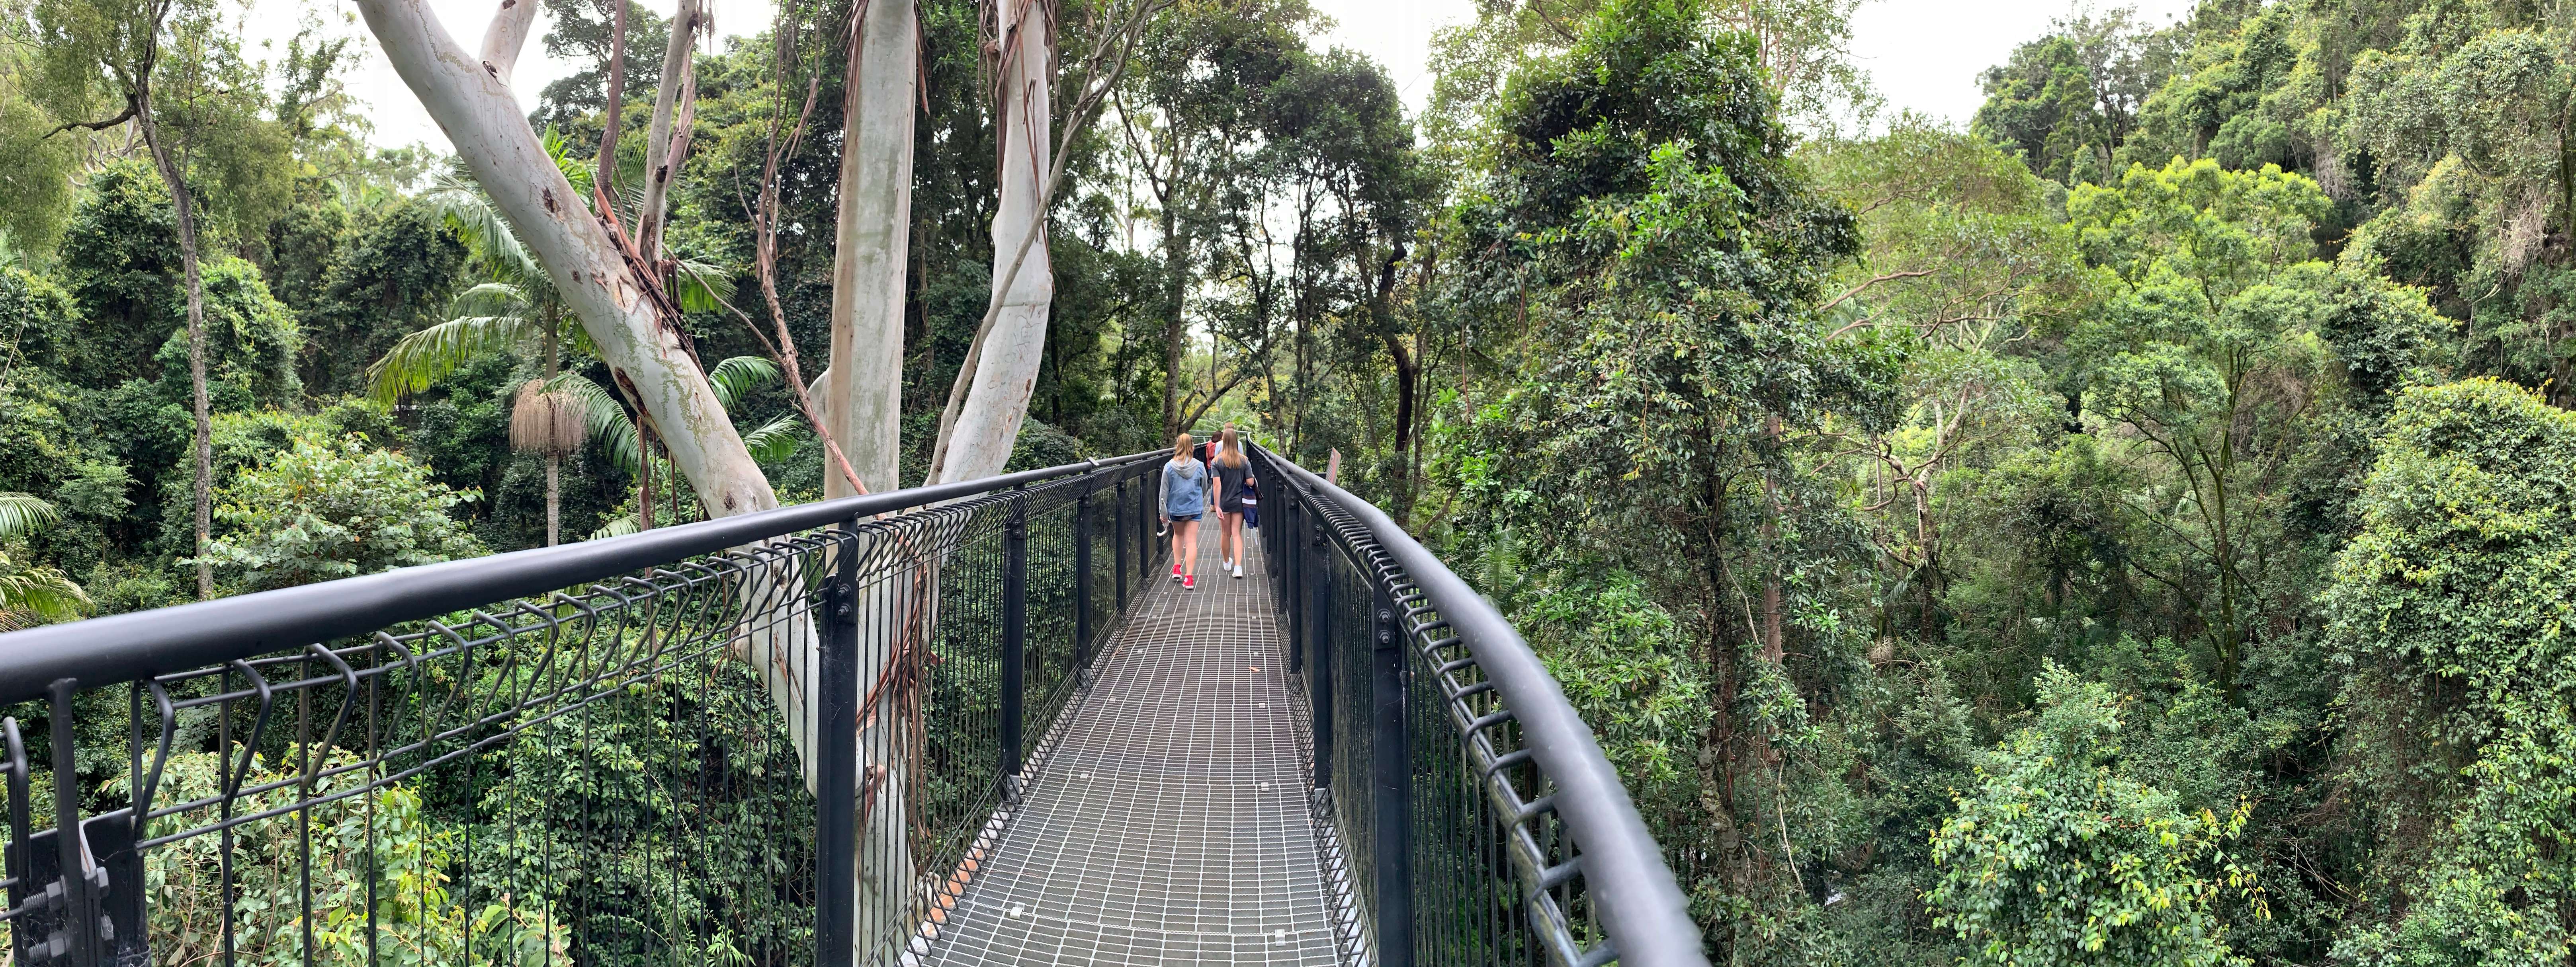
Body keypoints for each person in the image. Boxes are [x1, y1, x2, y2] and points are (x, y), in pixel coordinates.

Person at [1159, 433, 1210, 589]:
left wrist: (1163, 513)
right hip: (1194, 508)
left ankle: (1176, 567)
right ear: (1192, 447)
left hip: (1175, 509)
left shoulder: (1169, 466)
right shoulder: (1200, 466)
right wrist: (1197, 500)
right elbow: (1205, 487)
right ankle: (1189, 577)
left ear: (1178, 446)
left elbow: (1164, 492)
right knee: (1191, 541)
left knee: (1178, 535)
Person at [1210, 427, 1253, 578]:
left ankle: (1227, 561)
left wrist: (1217, 506)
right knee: (1237, 534)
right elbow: (1250, 481)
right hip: (1239, 502)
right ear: (1236, 442)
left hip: (1224, 502)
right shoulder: (1244, 461)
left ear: (1223, 442)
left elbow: (1217, 485)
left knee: (1225, 533)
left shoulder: (1217, 462)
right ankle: (1239, 567)